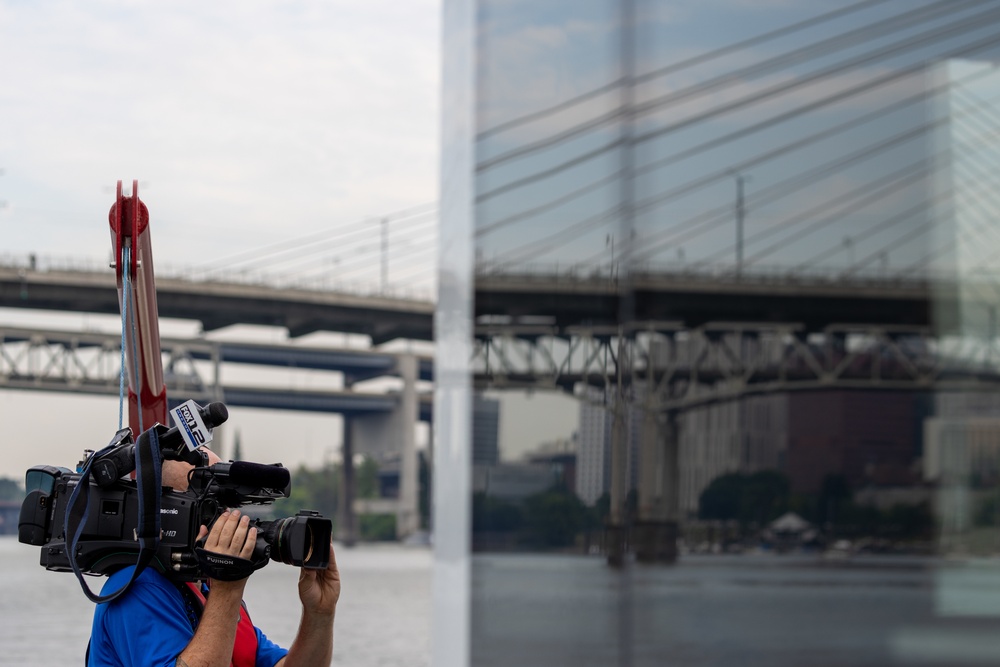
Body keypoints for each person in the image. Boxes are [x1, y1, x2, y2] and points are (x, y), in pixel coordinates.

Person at [86, 445, 341, 667]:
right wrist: (227, 589)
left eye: (226, 504)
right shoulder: (137, 588)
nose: (226, 517)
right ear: (168, 511)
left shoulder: (207, 589)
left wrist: (319, 613)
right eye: (210, 504)